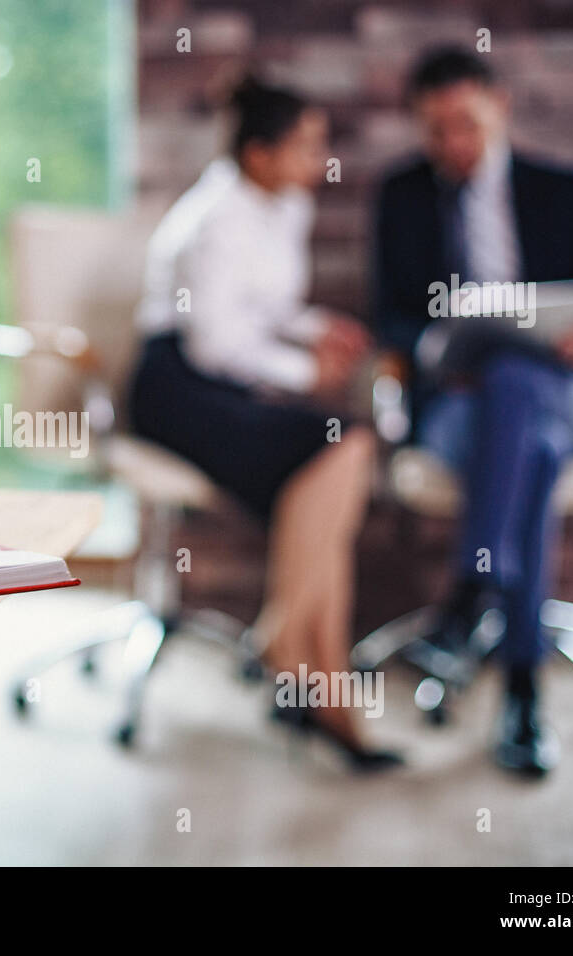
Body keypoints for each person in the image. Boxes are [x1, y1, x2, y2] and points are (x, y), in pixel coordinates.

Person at [373, 47, 573, 777]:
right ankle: (522, 691)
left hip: (560, 393)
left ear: (500, 107)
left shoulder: (561, 189)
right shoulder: (401, 197)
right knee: (525, 431)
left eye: (465, 123)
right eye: (436, 131)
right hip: (456, 404)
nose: (453, 144)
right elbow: (388, 321)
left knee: (520, 391)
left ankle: (470, 596)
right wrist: (437, 345)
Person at [130, 75, 400, 772]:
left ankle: (316, 681)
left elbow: (265, 309)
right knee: (342, 450)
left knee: (331, 481)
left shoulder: (285, 206)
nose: (320, 162)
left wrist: (314, 328)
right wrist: (304, 373)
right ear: (258, 155)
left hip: (224, 381)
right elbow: (213, 343)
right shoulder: (216, 216)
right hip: (173, 387)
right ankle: (296, 655)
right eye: (306, 147)